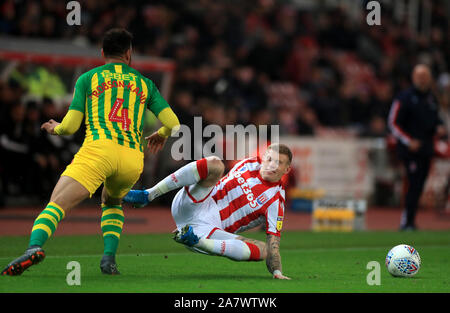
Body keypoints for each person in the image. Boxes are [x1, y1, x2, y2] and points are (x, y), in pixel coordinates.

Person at [1, 28, 180, 276]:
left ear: (103, 52)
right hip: (131, 159)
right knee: (112, 201)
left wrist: (55, 128)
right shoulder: (145, 84)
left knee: (57, 203)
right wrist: (160, 135)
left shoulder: (88, 79)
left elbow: (71, 126)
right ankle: (109, 259)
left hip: (99, 151)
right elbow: (174, 123)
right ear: (129, 54)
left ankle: (34, 247)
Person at [124, 143, 293, 280]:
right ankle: (148, 195)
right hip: (196, 202)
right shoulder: (248, 163)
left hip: (208, 230)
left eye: (278, 163)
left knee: (263, 250)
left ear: (286, 170)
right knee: (215, 164)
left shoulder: (276, 201)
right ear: (263, 158)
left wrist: (276, 271)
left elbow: (273, 242)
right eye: (270, 159)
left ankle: (194, 240)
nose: (272, 165)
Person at [388, 64, 446, 231]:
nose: (422, 79)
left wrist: (439, 127)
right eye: (419, 76)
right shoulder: (404, 97)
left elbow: (436, 119)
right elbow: (393, 123)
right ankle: (406, 221)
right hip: (410, 150)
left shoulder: (431, 98)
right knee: (412, 183)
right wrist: (408, 141)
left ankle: (411, 220)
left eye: (425, 76)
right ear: (413, 78)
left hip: (427, 148)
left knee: (420, 184)